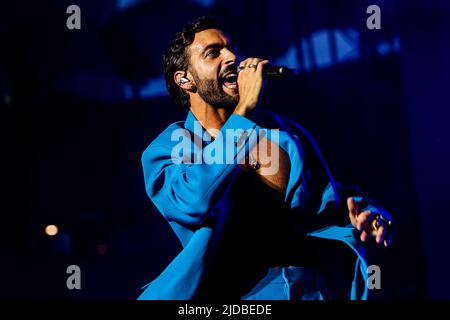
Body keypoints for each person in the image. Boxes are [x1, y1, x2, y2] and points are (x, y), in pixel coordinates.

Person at [138, 16, 392, 300]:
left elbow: (329, 199)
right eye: (213, 53)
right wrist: (243, 111)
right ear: (185, 79)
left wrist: (364, 215)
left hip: (311, 288)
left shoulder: (284, 133)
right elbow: (194, 200)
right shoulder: (171, 147)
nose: (232, 57)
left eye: (232, 48)